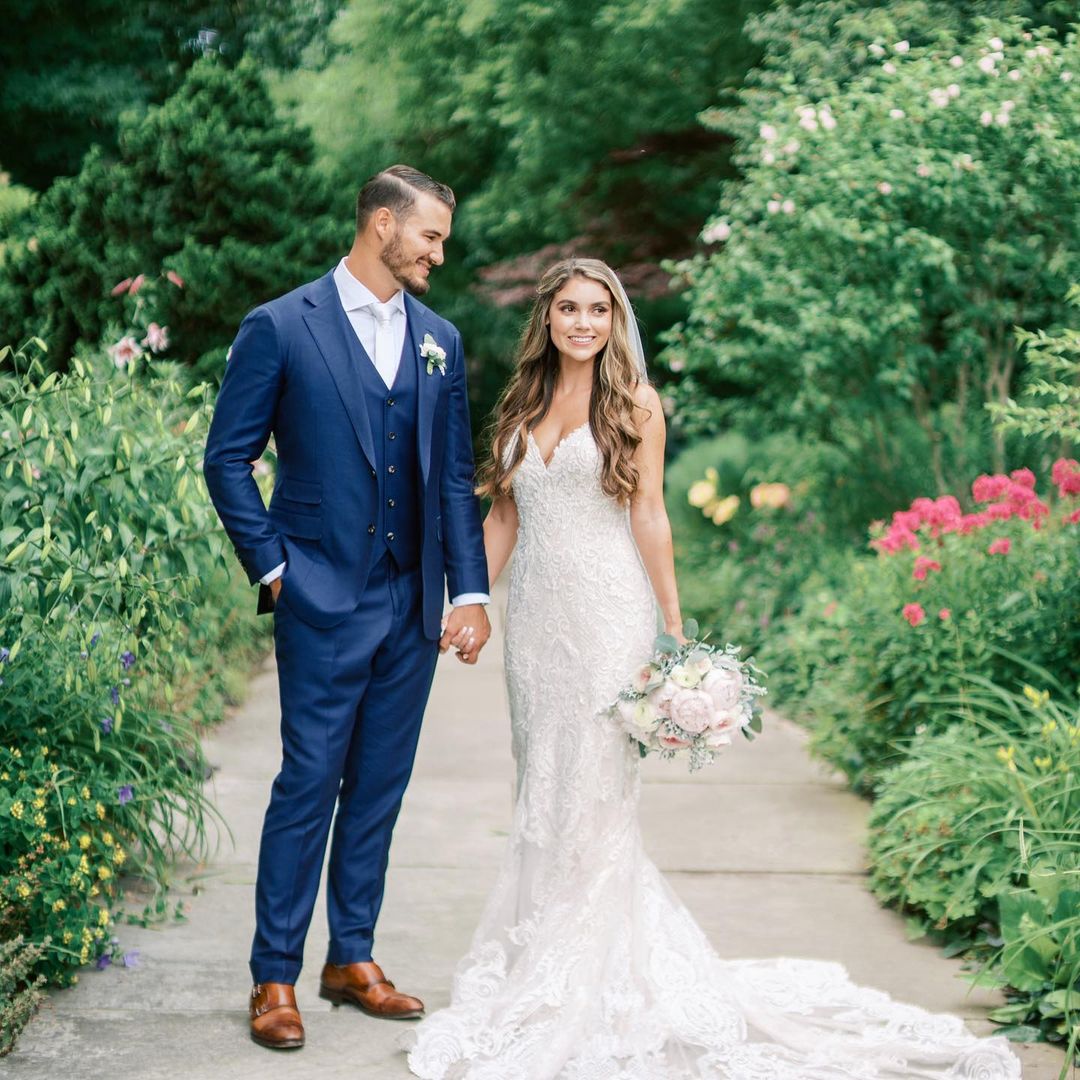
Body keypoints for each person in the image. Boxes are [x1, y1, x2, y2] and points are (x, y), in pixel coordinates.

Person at [406, 257, 1021, 1078]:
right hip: (540, 625)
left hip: (609, 617)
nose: (583, 323)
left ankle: (593, 979)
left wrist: (670, 626)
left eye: (597, 309)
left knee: (595, 795)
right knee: (543, 785)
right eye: (568, 309)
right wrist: (468, 598)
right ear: (546, 320)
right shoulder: (522, 403)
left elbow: (650, 513)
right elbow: (507, 514)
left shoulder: (636, 405)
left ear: (614, 319)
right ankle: (543, 955)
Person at [203, 165, 492, 1052]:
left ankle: (352, 957)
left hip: (412, 602)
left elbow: (449, 477)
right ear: (380, 224)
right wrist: (274, 567)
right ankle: (275, 975)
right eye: (430, 237)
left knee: (377, 789)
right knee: (307, 784)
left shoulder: (438, 338)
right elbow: (227, 459)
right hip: (321, 594)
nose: (440, 253)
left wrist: (470, 589)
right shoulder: (282, 326)